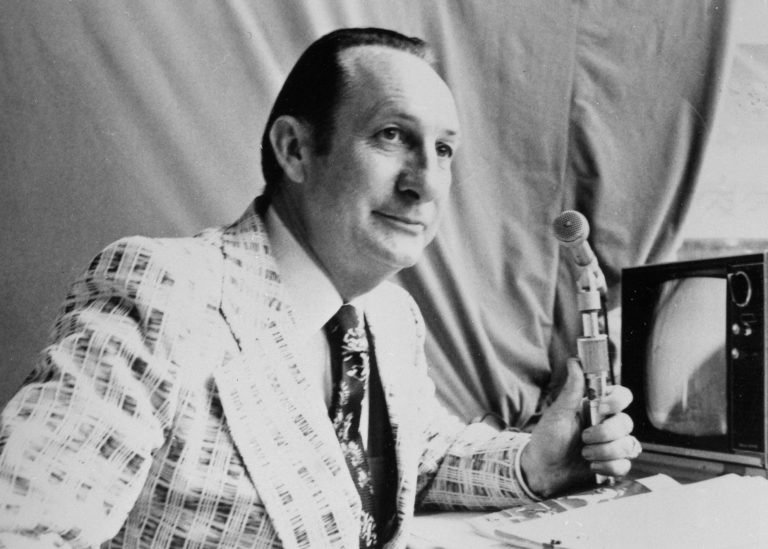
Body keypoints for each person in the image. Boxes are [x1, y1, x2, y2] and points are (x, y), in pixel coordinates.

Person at [0, 27, 639, 549]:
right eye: (393, 135)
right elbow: (20, 522)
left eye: (443, 149)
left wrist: (536, 463)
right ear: (296, 150)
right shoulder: (164, 291)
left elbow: (410, 456)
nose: (426, 183)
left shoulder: (388, 314)